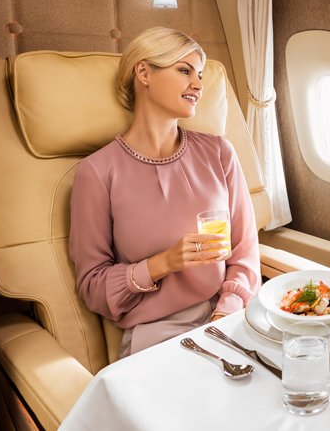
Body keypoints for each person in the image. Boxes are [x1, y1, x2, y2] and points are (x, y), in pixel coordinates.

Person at [69, 27, 261, 358]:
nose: (199, 86)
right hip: (158, 334)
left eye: (200, 74)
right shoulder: (97, 172)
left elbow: (244, 251)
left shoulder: (219, 153)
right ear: (143, 72)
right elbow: (93, 286)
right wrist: (162, 263)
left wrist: (225, 313)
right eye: (184, 71)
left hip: (229, 315)